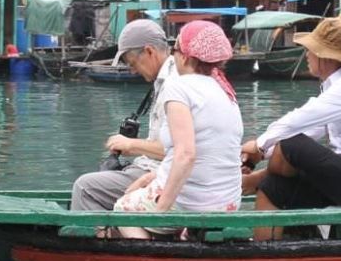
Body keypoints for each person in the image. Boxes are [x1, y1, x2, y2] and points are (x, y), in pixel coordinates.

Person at [241, 18, 341, 217]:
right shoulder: (337, 87)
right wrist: (259, 153)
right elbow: (311, 129)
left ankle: (255, 179)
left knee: (290, 144)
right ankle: (266, 247)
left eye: (310, 50)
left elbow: (299, 120)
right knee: (273, 187)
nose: (307, 55)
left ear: (325, 56)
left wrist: (258, 146)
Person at [107, 20, 243, 239]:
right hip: (228, 202)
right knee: (145, 191)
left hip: (191, 204)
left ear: (185, 56)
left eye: (176, 50)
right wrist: (153, 176)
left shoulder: (178, 87)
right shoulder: (226, 91)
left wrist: (160, 211)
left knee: (123, 208)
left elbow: (186, 155)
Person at [69, 20, 175, 210]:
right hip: (152, 167)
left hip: (161, 172)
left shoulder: (174, 85)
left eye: (133, 63)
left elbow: (179, 149)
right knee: (98, 179)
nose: (133, 70)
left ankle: (103, 237)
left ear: (150, 51)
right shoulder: (165, 81)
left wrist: (131, 145)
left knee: (84, 187)